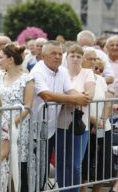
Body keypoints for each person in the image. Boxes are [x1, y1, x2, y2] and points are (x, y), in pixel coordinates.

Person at [30, 41, 91, 190]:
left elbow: (70, 90)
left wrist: (81, 97)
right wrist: (74, 99)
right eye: (53, 53)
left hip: (50, 129)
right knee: (34, 170)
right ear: (43, 56)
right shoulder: (37, 71)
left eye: (59, 53)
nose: (57, 56)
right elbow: (47, 95)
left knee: (44, 170)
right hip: (33, 129)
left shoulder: (62, 70)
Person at [0, 43, 34, 192]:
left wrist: (12, 123)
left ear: (10, 60)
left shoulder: (27, 79)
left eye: (0, 57)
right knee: (1, 163)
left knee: (16, 165)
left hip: (18, 127)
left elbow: (28, 106)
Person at [57, 44, 95, 192]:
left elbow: (89, 95)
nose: (75, 58)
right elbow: (55, 93)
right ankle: (62, 190)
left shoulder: (87, 73)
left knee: (75, 164)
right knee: (61, 162)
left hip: (80, 124)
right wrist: (75, 99)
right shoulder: (61, 72)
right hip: (60, 123)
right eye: (72, 55)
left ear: (82, 59)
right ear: (66, 58)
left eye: (78, 56)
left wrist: (66, 99)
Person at [81, 47, 113, 192]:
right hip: (85, 126)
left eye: (95, 59)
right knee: (84, 163)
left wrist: (101, 121)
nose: (93, 62)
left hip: (103, 126)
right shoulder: (79, 78)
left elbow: (107, 102)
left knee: (103, 163)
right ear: (82, 60)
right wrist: (94, 121)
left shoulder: (100, 79)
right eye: (90, 58)